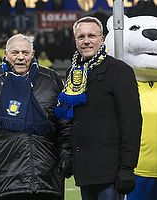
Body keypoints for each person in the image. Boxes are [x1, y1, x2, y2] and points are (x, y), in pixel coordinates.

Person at [0, 33, 72, 200]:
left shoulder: (51, 79)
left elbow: (64, 122)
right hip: (5, 177)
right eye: (15, 53)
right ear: (5, 54)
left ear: (32, 54)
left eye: (25, 52)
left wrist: (67, 153)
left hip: (47, 176)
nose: (20, 57)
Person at [54, 16, 142, 200]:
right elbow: (73, 120)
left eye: (92, 36)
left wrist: (127, 167)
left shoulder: (119, 71)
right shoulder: (74, 73)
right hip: (85, 169)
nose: (86, 41)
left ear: (102, 39)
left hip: (110, 170)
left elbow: (132, 122)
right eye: (81, 37)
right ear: (75, 40)